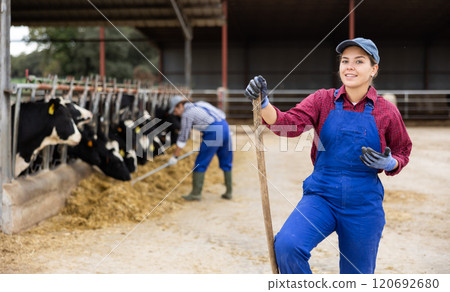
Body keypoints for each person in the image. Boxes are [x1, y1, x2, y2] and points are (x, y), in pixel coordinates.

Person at [245, 38, 412, 274]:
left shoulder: (386, 110)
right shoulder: (323, 100)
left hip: (363, 203)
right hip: (322, 194)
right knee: (287, 246)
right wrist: (263, 103)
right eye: (345, 61)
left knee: (357, 276)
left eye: (359, 61)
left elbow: (403, 149)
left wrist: (392, 162)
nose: (349, 66)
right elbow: (288, 125)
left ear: (374, 69)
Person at [167, 96, 233, 201]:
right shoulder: (201, 103)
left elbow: (183, 136)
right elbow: (221, 114)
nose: (175, 114)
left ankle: (196, 194)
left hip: (214, 131)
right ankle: (229, 192)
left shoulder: (187, 114)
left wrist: (175, 156)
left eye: (175, 111)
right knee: (226, 160)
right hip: (225, 126)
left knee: (200, 162)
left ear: (180, 106)